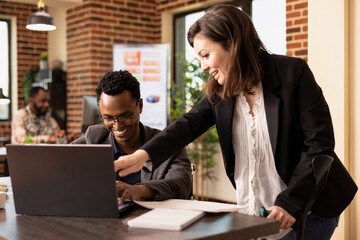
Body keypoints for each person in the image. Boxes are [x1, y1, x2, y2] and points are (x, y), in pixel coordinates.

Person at [113, 5, 357, 239]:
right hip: (258, 213)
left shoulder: (293, 73)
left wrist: (290, 203)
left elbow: (319, 146)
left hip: (311, 208)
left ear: (231, 43)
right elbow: (187, 124)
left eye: (206, 55)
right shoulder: (220, 92)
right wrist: (139, 156)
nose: (203, 66)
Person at [71, 70, 192, 203]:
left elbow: (182, 185)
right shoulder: (92, 141)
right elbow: (61, 172)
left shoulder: (167, 144)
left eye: (124, 116)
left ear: (140, 106)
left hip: (150, 220)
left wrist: (137, 191)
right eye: (108, 118)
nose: (117, 127)